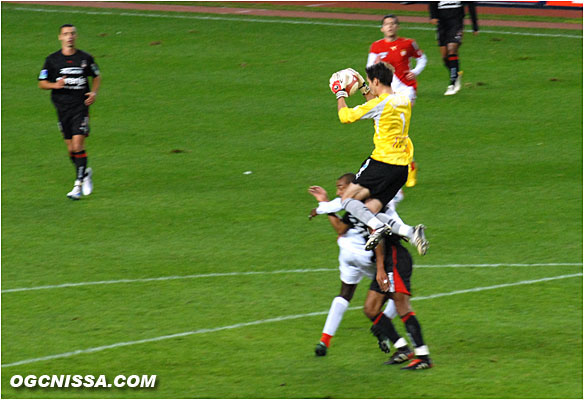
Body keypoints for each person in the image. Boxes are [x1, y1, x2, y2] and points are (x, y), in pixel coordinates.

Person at [329, 63, 428, 254]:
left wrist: (340, 93)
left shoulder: (380, 104)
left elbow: (346, 116)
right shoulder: (404, 100)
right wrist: (365, 89)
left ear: (376, 81)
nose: (368, 85)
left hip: (383, 162)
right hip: (401, 169)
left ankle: (379, 228)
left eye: (369, 82)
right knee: (369, 210)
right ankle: (411, 231)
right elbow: (378, 107)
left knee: (348, 200)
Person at [308, 173, 406, 357]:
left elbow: (340, 227)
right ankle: (385, 328)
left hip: (346, 251)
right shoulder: (372, 202)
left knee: (345, 293)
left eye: (341, 187)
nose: (339, 191)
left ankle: (324, 341)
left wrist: (322, 205)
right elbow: (397, 196)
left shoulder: (352, 202)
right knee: (397, 293)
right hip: (366, 254)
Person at [38, 24, 101, 200]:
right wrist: (54, 85)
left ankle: (77, 185)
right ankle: (85, 172)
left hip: (80, 107)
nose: (69, 37)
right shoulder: (52, 60)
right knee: (71, 150)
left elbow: (96, 75)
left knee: (78, 145)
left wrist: (93, 92)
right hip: (62, 108)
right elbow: (41, 82)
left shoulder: (85, 58)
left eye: (72, 33)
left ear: (76, 36)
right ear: (60, 37)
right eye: (66, 34)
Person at [366, 14, 427, 188]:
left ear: (398, 26)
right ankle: (405, 163)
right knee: (390, 129)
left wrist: (415, 71)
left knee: (400, 126)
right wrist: (371, 89)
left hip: (406, 89)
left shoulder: (407, 43)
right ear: (382, 28)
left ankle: (407, 165)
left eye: (393, 24)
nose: (390, 27)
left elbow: (422, 58)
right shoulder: (376, 47)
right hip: (386, 91)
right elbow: (370, 69)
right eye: (387, 24)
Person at [364, 229, 433, 370]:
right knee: (371, 308)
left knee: (403, 307)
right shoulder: (357, 211)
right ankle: (403, 348)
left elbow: (377, 235)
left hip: (394, 261)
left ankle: (423, 357)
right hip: (385, 261)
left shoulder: (370, 210)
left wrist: (380, 268)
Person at [429, 1, 479, 96]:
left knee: (452, 48)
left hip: (456, 23)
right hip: (442, 24)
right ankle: (456, 72)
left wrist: (475, 26)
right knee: (444, 57)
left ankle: (452, 83)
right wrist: (433, 16)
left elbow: (471, 4)